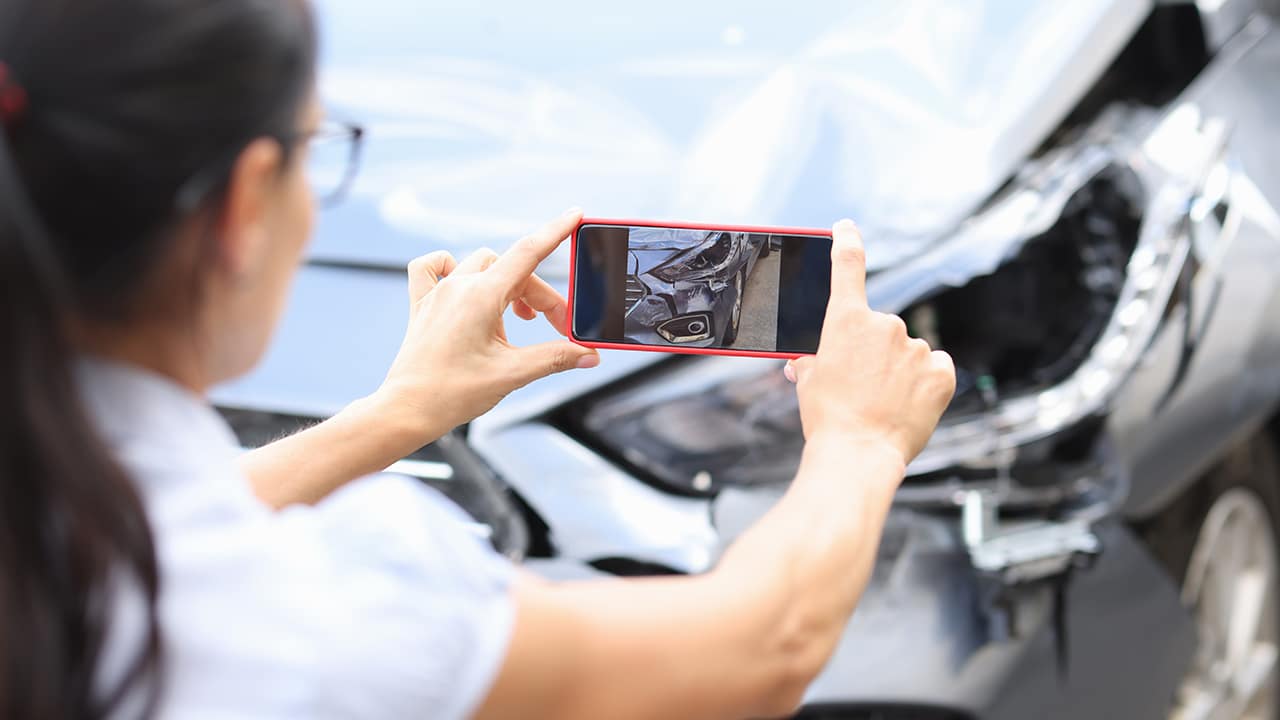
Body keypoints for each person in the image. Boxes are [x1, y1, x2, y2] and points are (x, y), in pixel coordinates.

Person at [0, 1, 956, 718]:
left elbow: (136, 526)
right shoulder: (321, 607)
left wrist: (396, 413)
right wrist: (861, 440)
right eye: (316, 147)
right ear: (244, 206)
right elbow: (764, 646)